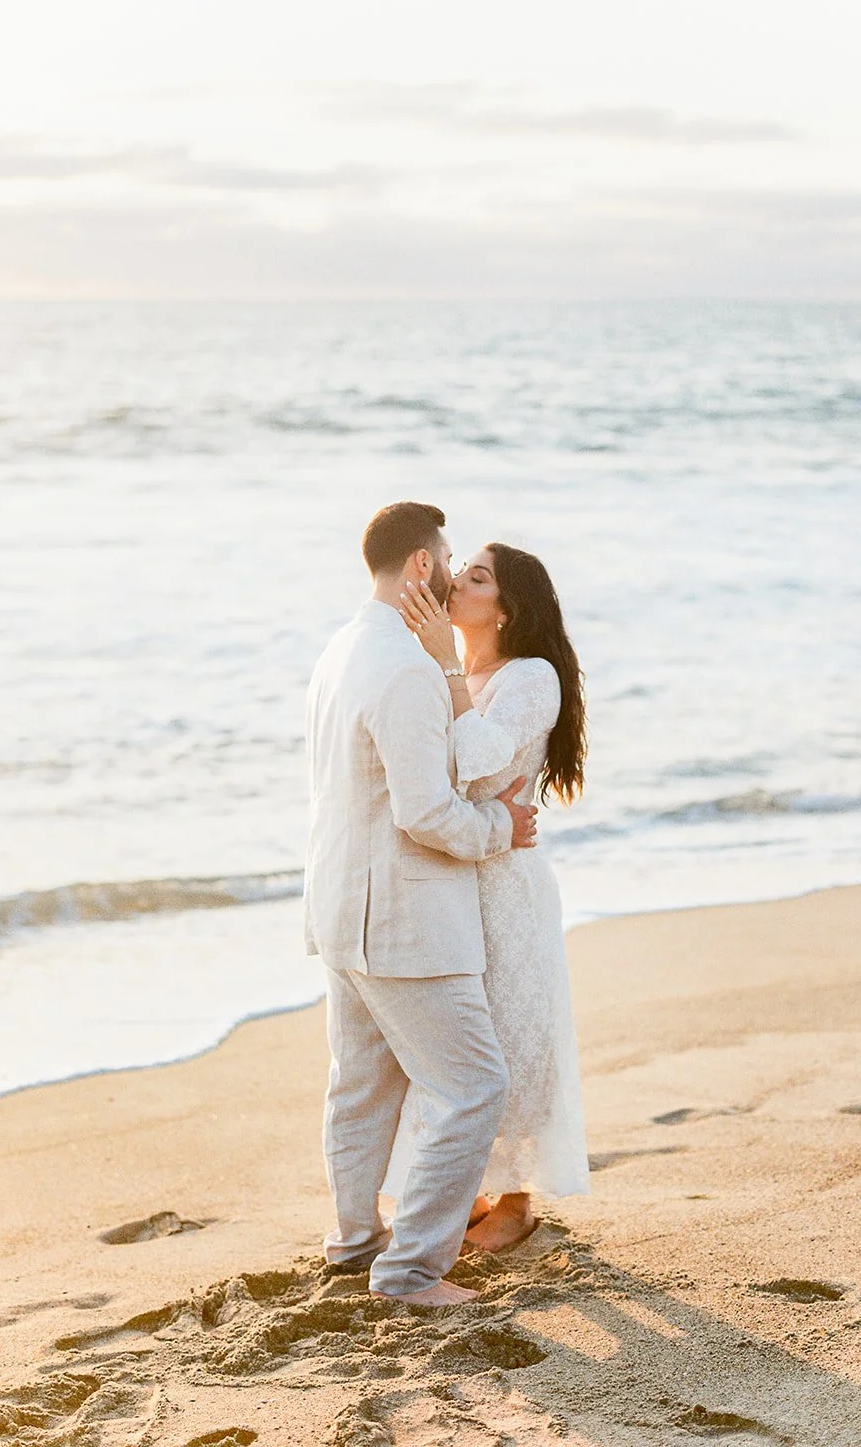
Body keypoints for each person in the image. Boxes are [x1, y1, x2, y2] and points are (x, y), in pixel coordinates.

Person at [303, 502, 538, 1308]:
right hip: (402, 919)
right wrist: (500, 826)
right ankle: (407, 1274)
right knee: (474, 1086)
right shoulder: (404, 668)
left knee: (360, 1085)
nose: (447, 567)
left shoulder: (343, 647)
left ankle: (353, 1244)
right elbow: (426, 813)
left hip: (340, 910)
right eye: (442, 556)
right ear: (417, 569)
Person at [393, 541, 590, 1251]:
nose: (456, 584)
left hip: (505, 881)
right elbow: (429, 772)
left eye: (476, 579)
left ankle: (518, 1196)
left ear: (505, 611)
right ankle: (467, 1183)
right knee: (459, 1034)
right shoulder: (450, 670)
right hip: (454, 870)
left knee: (513, 1033)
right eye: (461, 570)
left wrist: (444, 662)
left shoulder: (530, 676)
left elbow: (474, 763)